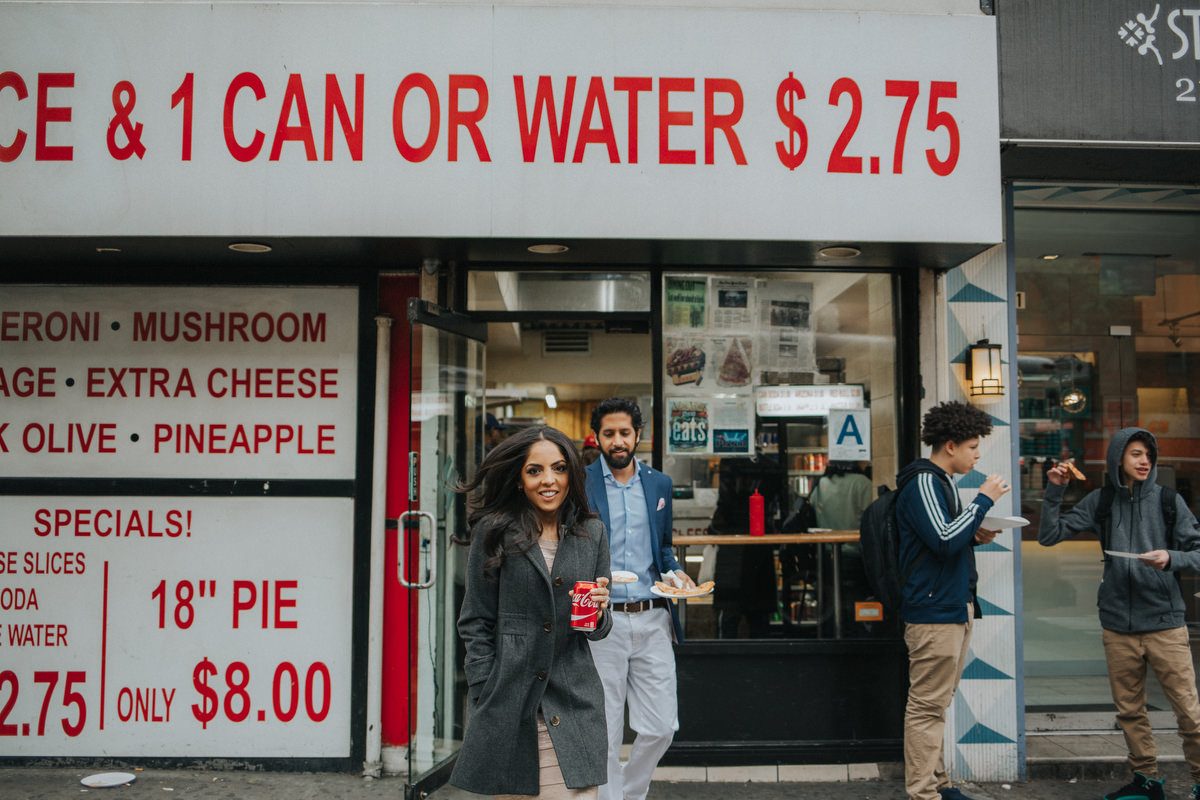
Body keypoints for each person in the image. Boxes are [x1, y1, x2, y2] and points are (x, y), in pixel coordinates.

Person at [450, 425, 613, 799]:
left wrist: (600, 613)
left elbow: (598, 629)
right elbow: (475, 620)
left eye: (558, 468)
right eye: (535, 470)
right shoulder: (494, 532)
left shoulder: (593, 533)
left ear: (571, 474)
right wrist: (484, 689)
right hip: (511, 704)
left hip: (573, 704)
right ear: (519, 479)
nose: (549, 480)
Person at [1039, 427, 1200, 800]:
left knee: (1189, 713)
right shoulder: (1102, 501)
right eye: (1136, 454)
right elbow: (1049, 536)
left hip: (1164, 623)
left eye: (1148, 454)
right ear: (1117, 460)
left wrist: (1171, 558)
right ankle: (1146, 780)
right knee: (1129, 711)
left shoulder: (1169, 501)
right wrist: (1054, 491)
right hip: (1117, 624)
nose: (1144, 461)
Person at [898, 401, 1009, 800]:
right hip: (934, 611)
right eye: (973, 447)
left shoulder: (940, 483)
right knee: (927, 705)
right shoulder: (925, 482)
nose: (978, 455)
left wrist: (974, 533)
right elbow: (944, 539)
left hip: (951, 606)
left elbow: (943, 537)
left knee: (937, 703)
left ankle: (939, 785)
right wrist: (982, 501)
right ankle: (923, 792)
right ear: (950, 445)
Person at [584, 397, 692, 800]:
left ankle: (629, 792)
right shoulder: (581, 483)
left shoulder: (660, 484)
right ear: (597, 437)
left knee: (662, 725)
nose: (617, 441)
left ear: (638, 435)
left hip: (652, 616)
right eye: (609, 433)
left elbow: (663, 550)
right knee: (607, 728)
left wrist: (675, 572)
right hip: (602, 621)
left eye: (624, 433)